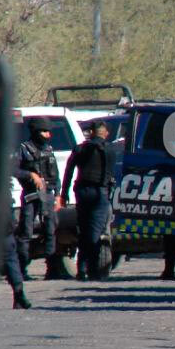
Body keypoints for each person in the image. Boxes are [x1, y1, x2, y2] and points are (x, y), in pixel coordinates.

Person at [61, 120, 115, 281]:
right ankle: (90, 269)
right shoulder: (109, 150)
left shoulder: (80, 149)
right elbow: (109, 175)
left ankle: (83, 269)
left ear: (91, 132)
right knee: (94, 233)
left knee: (85, 231)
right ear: (105, 133)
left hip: (82, 192)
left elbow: (68, 172)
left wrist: (64, 194)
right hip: (100, 194)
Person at [14, 117, 64, 280]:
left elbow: (55, 175)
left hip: (48, 194)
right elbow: (13, 170)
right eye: (44, 131)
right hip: (31, 194)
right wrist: (30, 175)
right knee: (26, 233)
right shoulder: (24, 149)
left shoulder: (49, 149)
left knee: (51, 231)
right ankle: (21, 270)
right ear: (36, 132)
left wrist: (58, 195)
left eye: (48, 131)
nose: (47, 134)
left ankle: (52, 269)